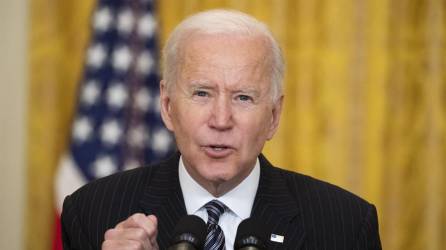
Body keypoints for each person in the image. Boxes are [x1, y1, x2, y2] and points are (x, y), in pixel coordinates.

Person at [61, 9, 381, 250]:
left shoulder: (346, 225)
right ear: (168, 106)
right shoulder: (92, 213)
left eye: (243, 97)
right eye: (202, 93)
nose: (221, 119)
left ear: (273, 115)